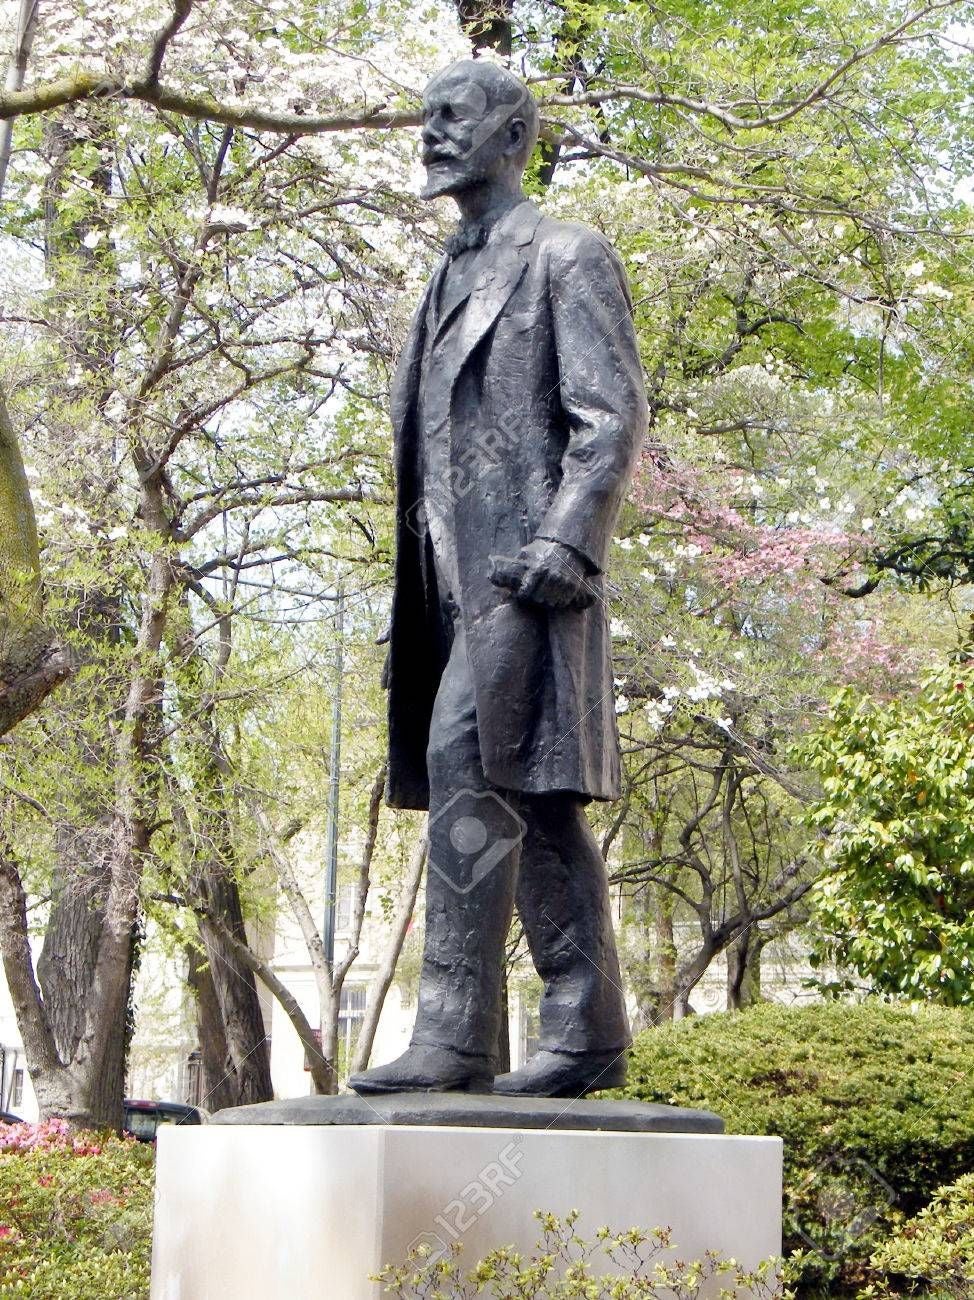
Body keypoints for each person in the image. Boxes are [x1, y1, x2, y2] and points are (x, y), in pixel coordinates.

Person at [349, 59, 648, 1099]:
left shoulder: (565, 255)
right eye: (422, 117)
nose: (428, 134)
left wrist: (567, 543)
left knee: (468, 761)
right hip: (447, 587)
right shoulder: (442, 276)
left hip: (527, 580)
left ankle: (456, 1031)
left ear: (513, 135)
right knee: (534, 792)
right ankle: (584, 1029)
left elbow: (608, 416)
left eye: (451, 118)